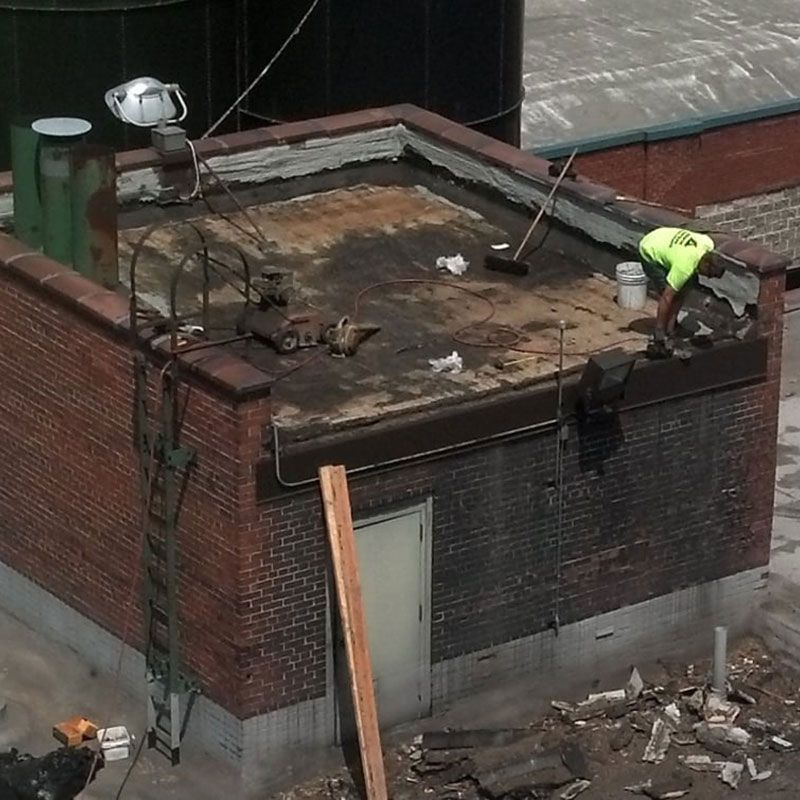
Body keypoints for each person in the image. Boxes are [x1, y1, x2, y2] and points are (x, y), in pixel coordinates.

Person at [638, 227, 726, 358]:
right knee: (670, 294)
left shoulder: (707, 244)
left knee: (687, 285)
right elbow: (667, 298)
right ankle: (661, 333)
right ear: (706, 265)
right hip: (650, 248)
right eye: (709, 274)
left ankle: (671, 327)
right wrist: (659, 332)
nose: (707, 278)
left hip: (665, 240)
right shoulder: (684, 268)